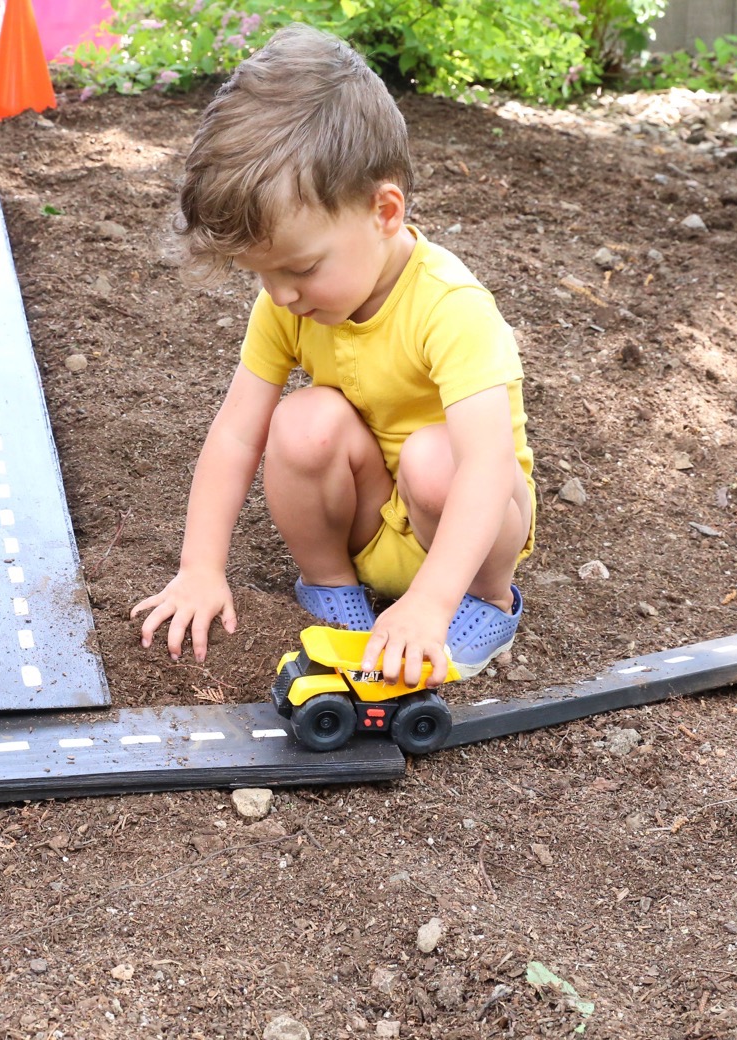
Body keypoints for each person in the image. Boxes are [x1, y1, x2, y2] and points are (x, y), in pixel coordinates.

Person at [132, 24, 535, 687]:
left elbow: (488, 470)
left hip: (466, 530)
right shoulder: (289, 304)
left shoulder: (451, 306)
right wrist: (201, 567)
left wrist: (429, 603)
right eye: (261, 275)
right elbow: (236, 435)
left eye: (302, 268)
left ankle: (484, 603)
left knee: (440, 460)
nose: (282, 294)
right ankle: (331, 586)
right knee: (302, 420)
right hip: (369, 514)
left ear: (384, 211)